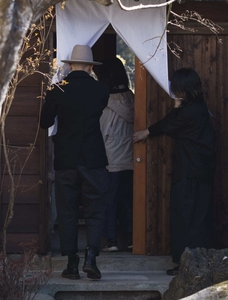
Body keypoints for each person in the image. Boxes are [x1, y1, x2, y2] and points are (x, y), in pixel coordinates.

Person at [133, 68, 215, 275]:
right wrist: (148, 132)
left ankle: (188, 264)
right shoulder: (197, 107)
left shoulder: (190, 111)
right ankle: (191, 262)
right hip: (197, 171)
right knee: (193, 216)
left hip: (190, 172)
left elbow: (170, 125)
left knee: (187, 217)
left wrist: (148, 131)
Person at [40, 44, 110, 280]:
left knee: (67, 211)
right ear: (91, 67)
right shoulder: (100, 90)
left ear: (69, 65)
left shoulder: (58, 89)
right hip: (94, 157)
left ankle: (71, 264)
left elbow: (45, 121)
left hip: (66, 158)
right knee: (96, 209)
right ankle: (91, 258)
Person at [95, 57, 134, 252]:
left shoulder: (105, 101)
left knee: (109, 199)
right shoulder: (132, 98)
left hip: (111, 157)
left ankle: (110, 240)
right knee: (128, 199)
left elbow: (102, 131)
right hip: (133, 156)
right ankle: (131, 237)